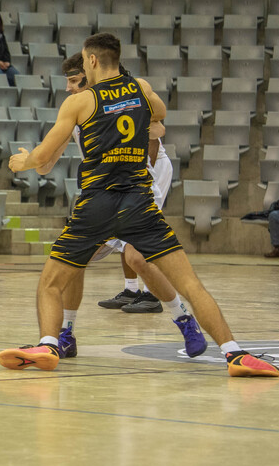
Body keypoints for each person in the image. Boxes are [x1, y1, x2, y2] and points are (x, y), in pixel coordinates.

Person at [0, 33, 279, 378]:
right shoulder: (141, 89)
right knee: (191, 284)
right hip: (138, 203)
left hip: (97, 204)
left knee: (51, 283)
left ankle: (49, 344)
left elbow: (43, 157)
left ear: (91, 61)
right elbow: (159, 114)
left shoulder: (79, 103)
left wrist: (23, 161)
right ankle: (234, 353)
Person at [39, 54, 205, 355]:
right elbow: (46, 161)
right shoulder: (76, 108)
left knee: (137, 258)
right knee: (76, 259)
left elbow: (158, 128)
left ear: (90, 75)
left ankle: (183, 319)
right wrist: (34, 160)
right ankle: (67, 333)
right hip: (104, 190)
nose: (68, 88)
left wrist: (142, 163)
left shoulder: (123, 98)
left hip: (139, 181)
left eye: (74, 81)